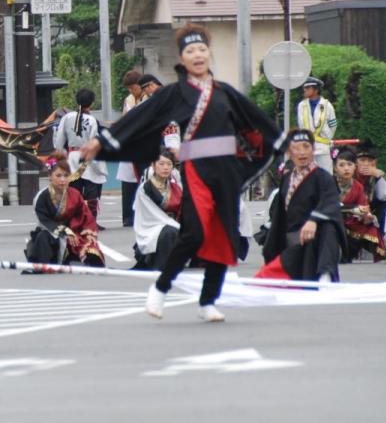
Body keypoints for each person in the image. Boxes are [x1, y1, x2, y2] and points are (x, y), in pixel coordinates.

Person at [78, 24, 282, 322]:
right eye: (190, 51)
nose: (197, 55)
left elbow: (256, 122)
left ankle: (208, 301)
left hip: (225, 172)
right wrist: (101, 141)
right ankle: (160, 288)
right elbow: (141, 118)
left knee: (223, 236)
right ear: (182, 58)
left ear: (208, 54)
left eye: (201, 50)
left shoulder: (225, 93)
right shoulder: (174, 93)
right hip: (197, 169)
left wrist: (281, 143)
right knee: (194, 232)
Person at [256, 130, 345, 284]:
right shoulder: (287, 178)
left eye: (306, 147)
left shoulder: (323, 177)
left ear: (313, 148)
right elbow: (279, 219)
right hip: (293, 243)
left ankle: (326, 274)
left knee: (329, 225)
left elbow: (331, 203)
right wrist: (270, 255)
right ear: (289, 152)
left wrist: (314, 220)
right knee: (260, 283)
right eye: (296, 148)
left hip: (314, 240)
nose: (302, 152)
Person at [25, 160, 105, 267]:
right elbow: (45, 221)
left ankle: (77, 259)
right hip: (50, 232)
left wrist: (87, 232)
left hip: (73, 231)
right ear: (50, 176)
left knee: (90, 248)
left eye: (66, 176)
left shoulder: (75, 194)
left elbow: (85, 215)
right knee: (43, 238)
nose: (62, 180)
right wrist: (65, 231)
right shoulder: (42, 197)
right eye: (58, 176)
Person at [55, 88, 108, 227]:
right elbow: (93, 141)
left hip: (72, 156)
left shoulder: (67, 118)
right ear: (91, 103)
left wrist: (60, 154)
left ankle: (74, 219)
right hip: (88, 156)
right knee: (92, 191)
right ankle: (90, 221)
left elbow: (59, 139)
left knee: (74, 190)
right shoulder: (91, 120)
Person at [132, 150, 182, 270]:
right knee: (170, 232)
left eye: (169, 164)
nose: (165, 168)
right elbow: (148, 214)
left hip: (172, 224)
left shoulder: (175, 187)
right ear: (153, 165)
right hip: (151, 229)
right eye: (161, 164)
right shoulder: (146, 188)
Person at [335, 147, 385, 262]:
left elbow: (363, 205)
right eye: (341, 165)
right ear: (335, 168)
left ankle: (351, 252)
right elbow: (331, 205)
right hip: (335, 220)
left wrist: (366, 216)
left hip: (351, 222)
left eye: (349, 164)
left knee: (371, 228)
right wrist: (353, 209)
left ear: (354, 167)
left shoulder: (358, 186)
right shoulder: (330, 183)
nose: (346, 168)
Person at [116, 70, 145, 228]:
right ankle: (128, 216)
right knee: (127, 181)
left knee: (143, 179)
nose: (131, 91)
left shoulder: (150, 98)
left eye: (133, 88)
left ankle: (143, 214)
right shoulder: (129, 99)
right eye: (129, 89)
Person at [295, 76, 337, 173]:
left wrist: (327, 138)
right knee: (307, 175)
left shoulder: (327, 105)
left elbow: (333, 124)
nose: (305, 90)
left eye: (308, 88)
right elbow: (301, 125)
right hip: (307, 147)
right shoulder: (302, 105)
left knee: (326, 175)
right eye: (305, 88)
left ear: (316, 90)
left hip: (323, 147)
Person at [355, 139, 386, 232]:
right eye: (362, 160)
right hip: (353, 209)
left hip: (371, 211)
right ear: (356, 162)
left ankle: (381, 236)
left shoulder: (377, 174)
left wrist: (379, 176)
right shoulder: (350, 173)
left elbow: (385, 196)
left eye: (369, 160)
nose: (366, 164)